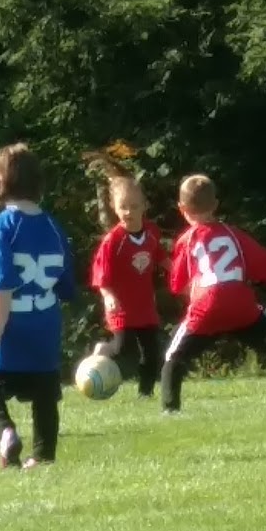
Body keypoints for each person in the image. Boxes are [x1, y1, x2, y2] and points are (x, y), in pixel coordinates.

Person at [160, 174, 266, 413]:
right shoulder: (232, 234)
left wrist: (196, 296)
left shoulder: (187, 239)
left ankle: (170, 408)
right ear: (215, 205)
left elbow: (177, 284)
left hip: (207, 307)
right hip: (241, 305)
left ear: (181, 208)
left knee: (174, 356)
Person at [0, 143, 77, 469]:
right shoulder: (53, 226)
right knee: (45, 393)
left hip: (10, 322)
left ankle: (5, 433)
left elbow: (2, 279)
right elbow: (65, 282)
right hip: (44, 322)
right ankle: (44, 455)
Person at [84, 153, 166, 399]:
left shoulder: (151, 232)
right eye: (123, 207)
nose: (128, 212)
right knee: (122, 350)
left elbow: (160, 256)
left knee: (152, 352)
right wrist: (108, 296)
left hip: (145, 306)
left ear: (144, 206)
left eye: (134, 206)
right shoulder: (113, 241)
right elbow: (101, 275)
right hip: (121, 307)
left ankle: (145, 393)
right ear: (114, 207)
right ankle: (103, 350)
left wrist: (180, 275)